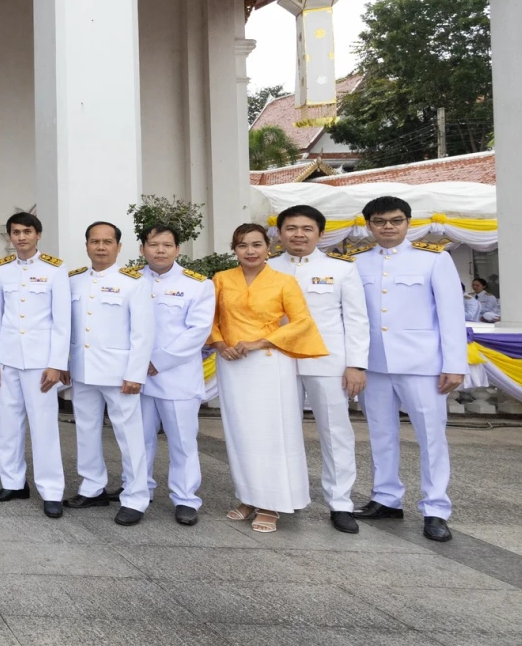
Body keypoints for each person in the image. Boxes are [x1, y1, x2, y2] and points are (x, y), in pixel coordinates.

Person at [352, 195, 468, 542]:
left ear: (408, 223)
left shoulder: (434, 260)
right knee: (381, 434)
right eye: (380, 221)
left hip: (422, 364)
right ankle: (386, 498)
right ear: (369, 225)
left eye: (396, 220)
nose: (388, 227)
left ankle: (435, 508)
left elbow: (451, 316)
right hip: (374, 363)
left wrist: (454, 364)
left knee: (431, 437)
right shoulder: (356, 263)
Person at [211, 223, 329, 534]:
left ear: (268, 248)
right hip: (232, 363)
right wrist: (221, 344)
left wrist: (259, 342)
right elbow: (210, 320)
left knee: (271, 434)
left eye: (256, 245)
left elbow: (302, 322)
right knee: (239, 433)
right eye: (242, 245)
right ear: (234, 249)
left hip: (269, 362)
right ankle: (248, 496)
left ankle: (271, 503)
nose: (249, 251)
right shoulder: (221, 279)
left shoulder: (283, 281)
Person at [271, 205, 370, 534]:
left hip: (325, 361)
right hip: (277, 361)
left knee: (335, 433)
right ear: (279, 232)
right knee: (280, 432)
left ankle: (340, 503)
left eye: (306, 228)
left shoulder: (341, 269)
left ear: (320, 233)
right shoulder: (267, 268)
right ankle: (282, 496)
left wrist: (356, 364)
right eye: (291, 228)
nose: (298, 234)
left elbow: (356, 320)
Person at [62, 222, 154, 525]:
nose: (100, 247)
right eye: (94, 241)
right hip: (83, 369)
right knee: (85, 430)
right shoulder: (73, 280)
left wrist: (135, 373)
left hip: (119, 374)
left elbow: (143, 332)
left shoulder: (134, 282)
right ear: (86, 245)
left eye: (107, 242)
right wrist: (64, 363)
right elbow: (67, 328)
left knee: (129, 436)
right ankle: (92, 487)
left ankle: (136, 497)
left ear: (118, 246)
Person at [0, 211, 71, 517]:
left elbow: (62, 322)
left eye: (27, 231)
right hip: (8, 358)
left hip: (40, 362)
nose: (21, 237)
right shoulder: (2, 269)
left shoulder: (55, 270)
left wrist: (56, 363)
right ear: (10, 237)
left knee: (44, 426)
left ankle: (51, 491)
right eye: (16, 232)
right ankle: (13, 482)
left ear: (38, 235)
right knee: (8, 424)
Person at [138, 223, 215, 525]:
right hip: (137, 378)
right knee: (139, 440)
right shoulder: (130, 281)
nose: (160, 250)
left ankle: (185, 498)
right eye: (153, 244)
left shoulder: (197, 284)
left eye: (167, 245)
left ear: (177, 249)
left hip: (177, 377)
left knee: (182, 442)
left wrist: (159, 361)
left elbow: (198, 331)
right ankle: (138, 491)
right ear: (142, 248)